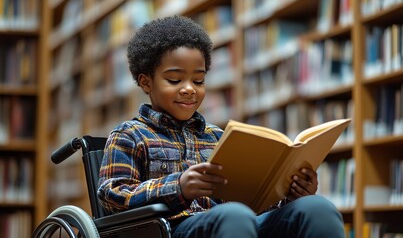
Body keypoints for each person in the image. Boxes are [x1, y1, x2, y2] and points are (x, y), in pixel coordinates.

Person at [97, 15, 345, 238]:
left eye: (199, 80)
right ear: (146, 82)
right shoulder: (129, 135)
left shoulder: (219, 137)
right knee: (234, 216)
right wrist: (178, 187)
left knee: (316, 208)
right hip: (171, 230)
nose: (189, 89)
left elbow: (253, 204)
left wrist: (290, 193)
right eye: (174, 80)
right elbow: (112, 197)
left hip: (238, 223)